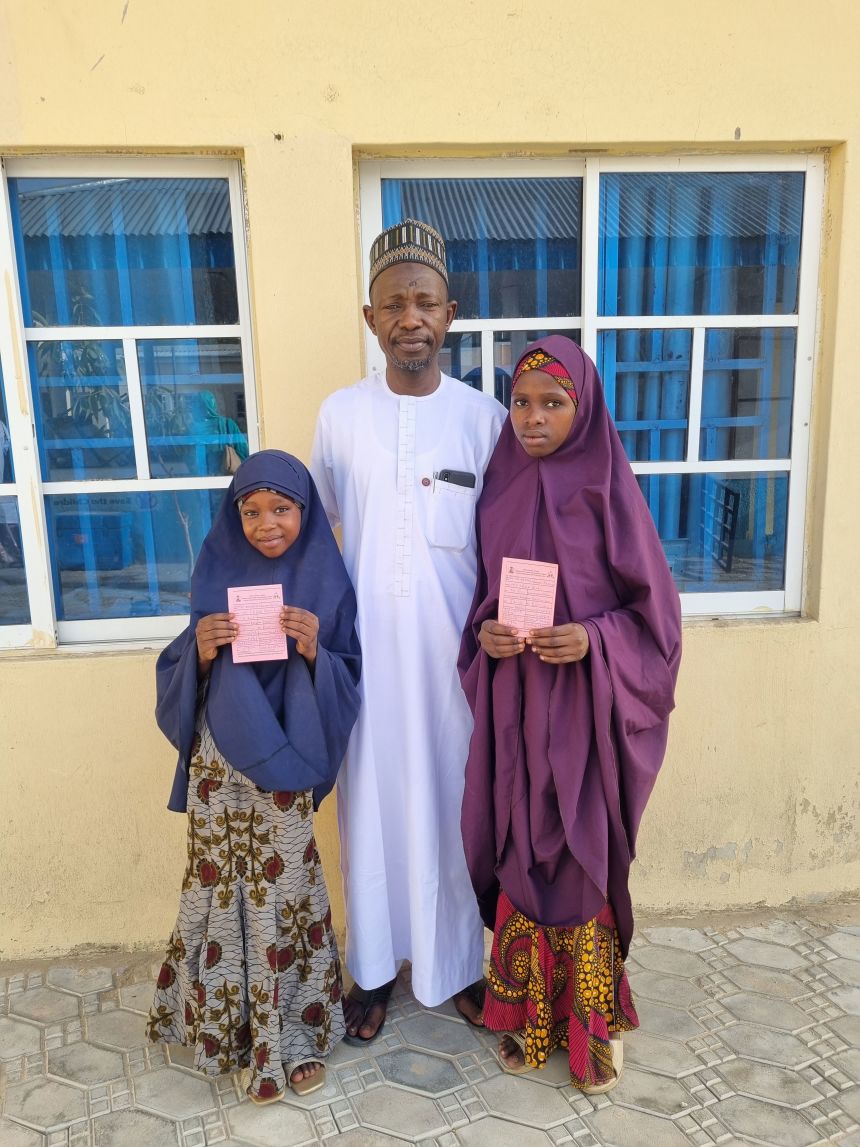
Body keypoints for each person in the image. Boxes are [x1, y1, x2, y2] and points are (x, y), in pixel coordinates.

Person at [459, 337, 682, 1091]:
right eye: (521, 401)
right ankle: (525, 1014)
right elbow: (482, 595)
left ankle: (592, 1029)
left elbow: (657, 621)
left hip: (584, 711)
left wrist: (591, 637)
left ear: (583, 409)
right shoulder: (498, 484)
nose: (532, 417)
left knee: (580, 852)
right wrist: (485, 632)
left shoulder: (608, 488)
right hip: (517, 708)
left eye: (552, 402)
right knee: (522, 845)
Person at [311, 219, 506, 1041]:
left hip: (456, 665)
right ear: (370, 317)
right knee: (371, 815)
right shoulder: (339, 415)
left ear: (450, 313)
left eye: (425, 301)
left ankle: (459, 966)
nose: (411, 317)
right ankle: (374, 971)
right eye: (395, 303)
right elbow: (312, 534)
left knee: (457, 807)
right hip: (367, 665)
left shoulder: (485, 418)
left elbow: (511, 542)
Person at [147, 450, 361, 1102]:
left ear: (306, 512)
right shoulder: (216, 568)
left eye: (281, 509)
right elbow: (178, 674)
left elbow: (349, 674)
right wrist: (203, 650)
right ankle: (225, 1031)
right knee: (220, 885)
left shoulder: (326, 580)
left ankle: (287, 1035)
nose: (266, 524)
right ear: (234, 514)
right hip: (220, 762)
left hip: (288, 758)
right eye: (251, 510)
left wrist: (314, 650)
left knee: (283, 891)